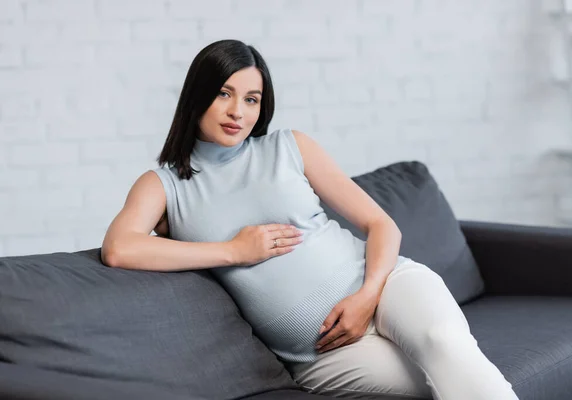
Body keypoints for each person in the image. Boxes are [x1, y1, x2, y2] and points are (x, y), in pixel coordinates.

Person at [101, 39, 519, 400]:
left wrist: (368, 295)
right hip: (323, 355)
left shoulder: (288, 147)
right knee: (442, 378)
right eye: (224, 94)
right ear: (198, 96)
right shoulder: (165, 185)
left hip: (387, 286)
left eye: (251, 99)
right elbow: (120, 248)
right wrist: (234, 250)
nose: (238, 112)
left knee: (445, 347)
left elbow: (381, 225)